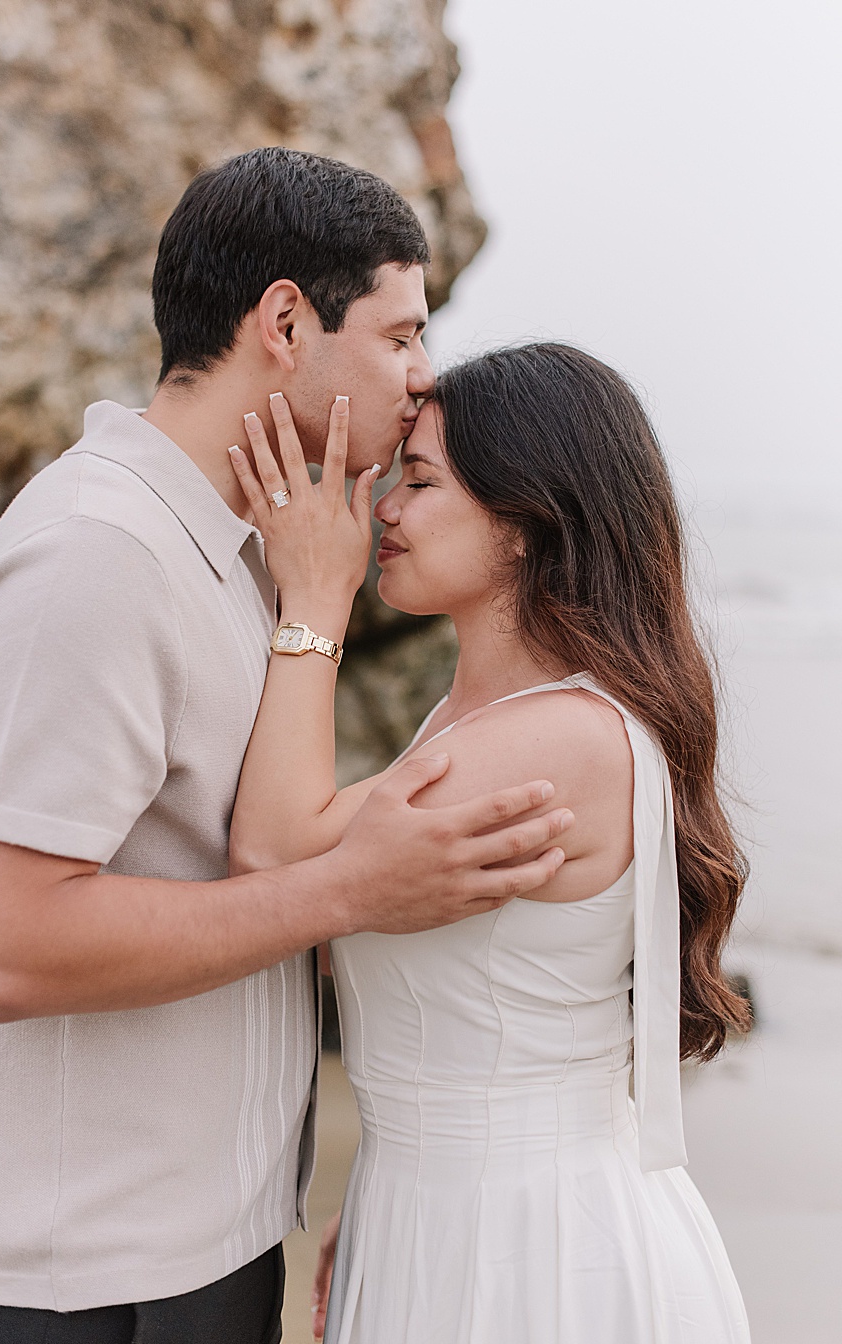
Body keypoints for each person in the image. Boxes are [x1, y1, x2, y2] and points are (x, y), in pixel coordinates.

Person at [0, 147, 576, 1340]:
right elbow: (9, 946)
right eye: (398, 336)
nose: (421, 374)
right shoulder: (96, 557)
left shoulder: (247, 562)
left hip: (205, 1237)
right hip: (80, 1274)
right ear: (286, 322)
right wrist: (348, 892)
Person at [226, 342, 750, 1341]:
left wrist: (315, 600)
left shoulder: (562, 739)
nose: (381, 508)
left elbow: (276, 856)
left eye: (417, 481)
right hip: (446, 1213)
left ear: (523, 523)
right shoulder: (478, 724)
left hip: (536, 1247)